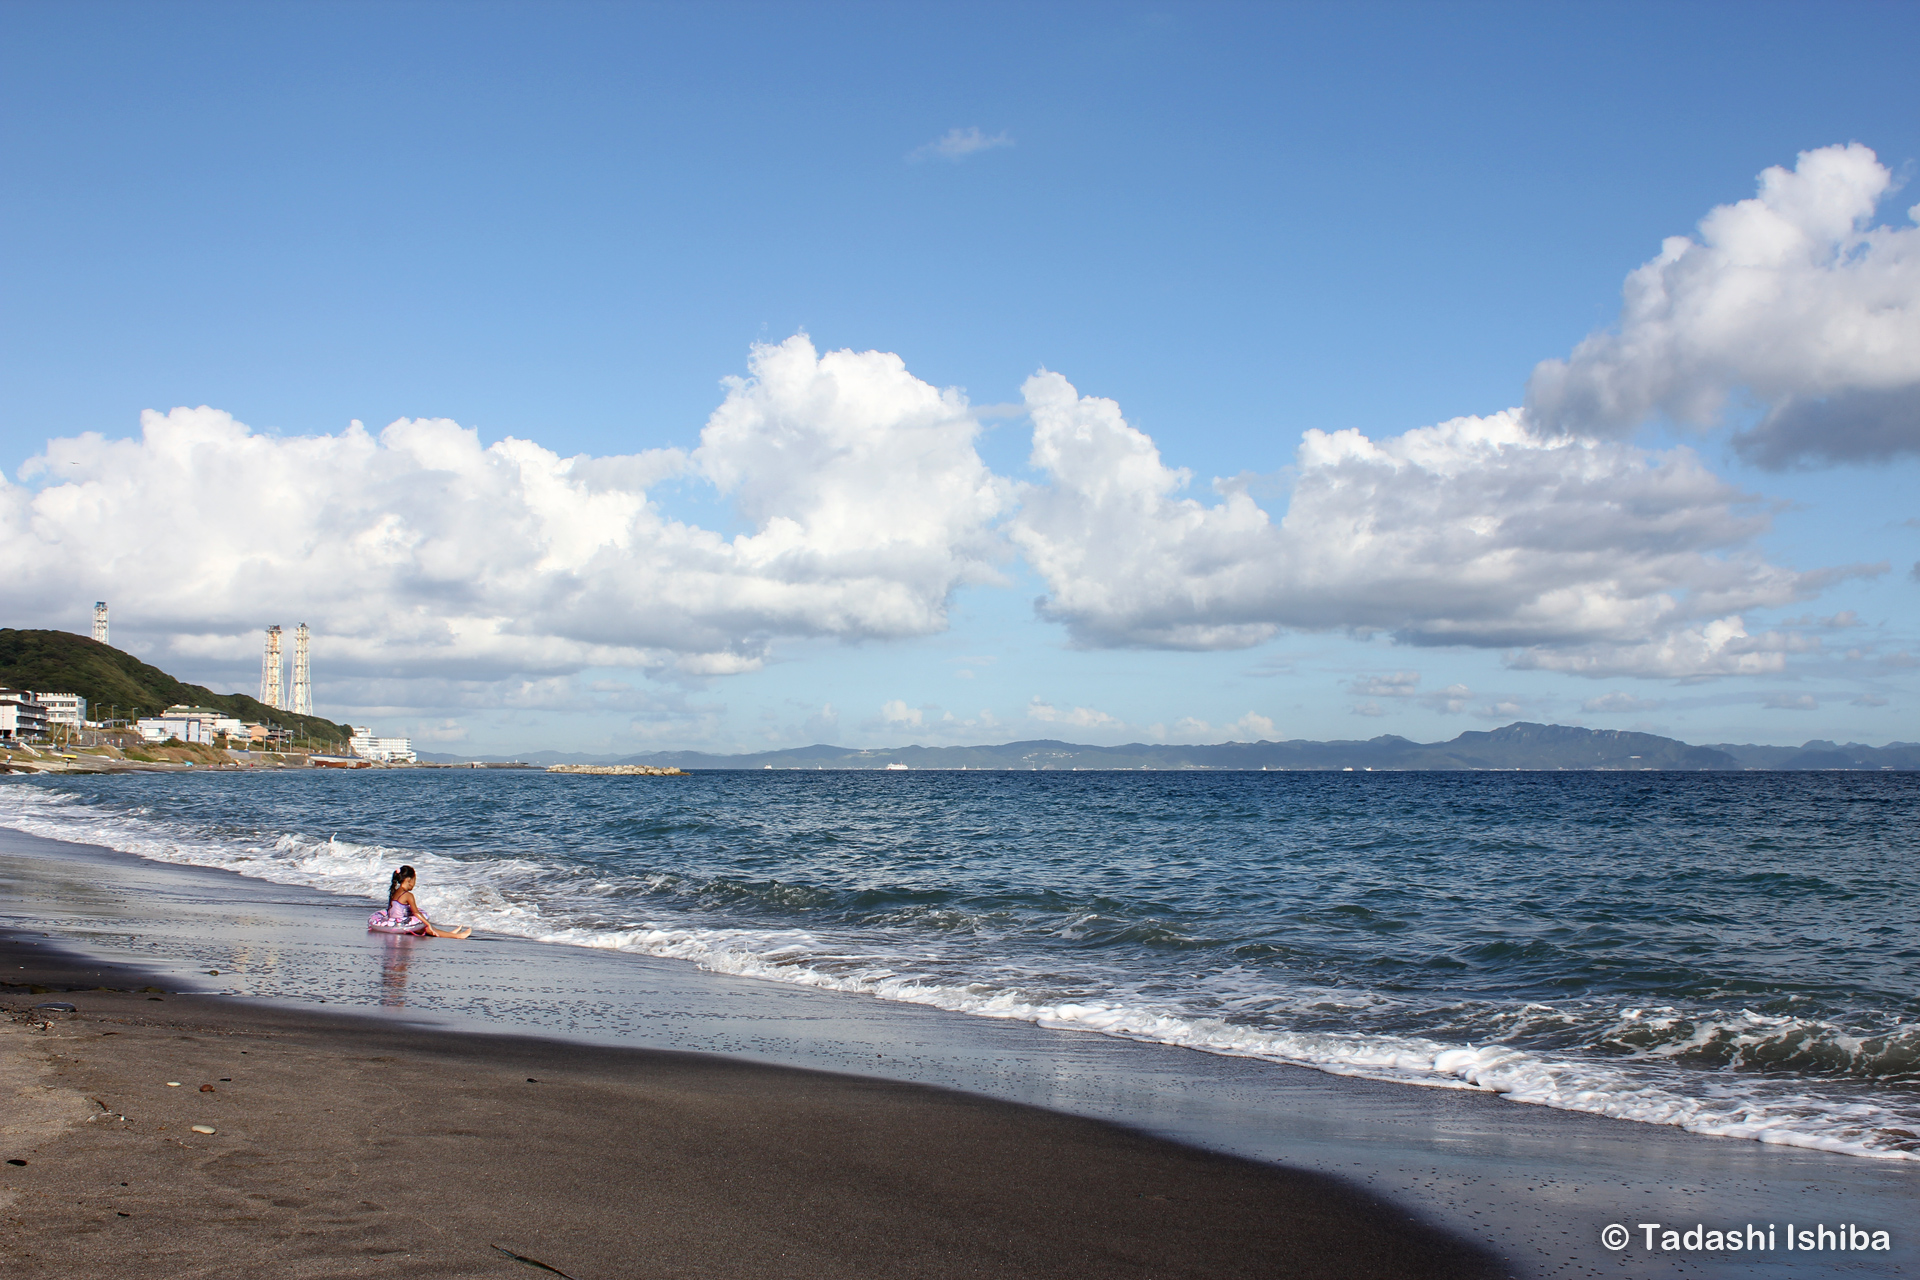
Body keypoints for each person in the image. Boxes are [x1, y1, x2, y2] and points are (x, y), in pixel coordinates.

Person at [369, 865, 471, 939]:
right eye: (414, 880)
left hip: (393, 922)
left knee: (423, 926)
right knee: (425, 927)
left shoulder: (394, 892)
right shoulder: (408, 895)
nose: (414, 883)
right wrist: (428, 924)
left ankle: (450, 933)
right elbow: (416, 913)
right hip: (399, 924)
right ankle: (457, 936)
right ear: (409, 880)